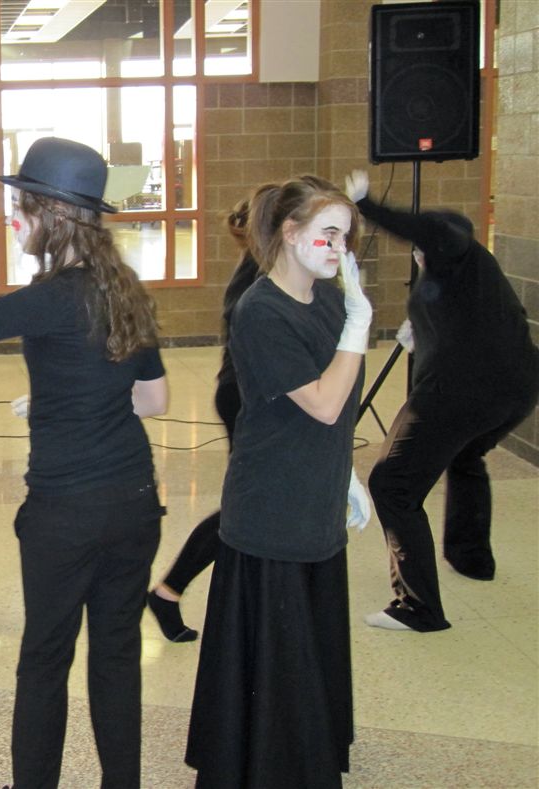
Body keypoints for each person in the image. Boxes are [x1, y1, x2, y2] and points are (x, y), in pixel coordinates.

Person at [0, 137, 168, 789]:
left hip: (65, 512)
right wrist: (65, 398)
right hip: (134, 502)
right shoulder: (125, 287)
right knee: (116, 655)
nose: (13, 219)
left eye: (21, 208)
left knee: (45, 659)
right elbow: (152, 399)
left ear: (54, 215)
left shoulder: (47, 297)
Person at [185, 175, 371, 788]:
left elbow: (339, 410)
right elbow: (323, 402)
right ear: (290, 233)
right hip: (273, 510)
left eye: (346, 236)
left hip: (315, 498)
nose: (339, 248)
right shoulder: (261, 310)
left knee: (309, 646)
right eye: (328, 233)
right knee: (277, 652)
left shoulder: (330, 301)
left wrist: (345, 473)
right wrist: (358, 328)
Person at [347, 170, 539, 633]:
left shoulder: (456, 251)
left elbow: (435, 232)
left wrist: (367, 205)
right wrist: (424, 330)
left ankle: (418, 608)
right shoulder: (471, 275)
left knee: (392, 484)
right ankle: (472, 558)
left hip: (461, 392)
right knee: (467, 456)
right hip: (514, 390)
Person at [146, 198, 260, 642]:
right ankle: (169, 590)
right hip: (247, 400)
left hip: (250, 397)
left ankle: (180, 593)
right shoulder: (263, 271)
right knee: (245, 506)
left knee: (253, 507)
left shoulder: (265, 264)